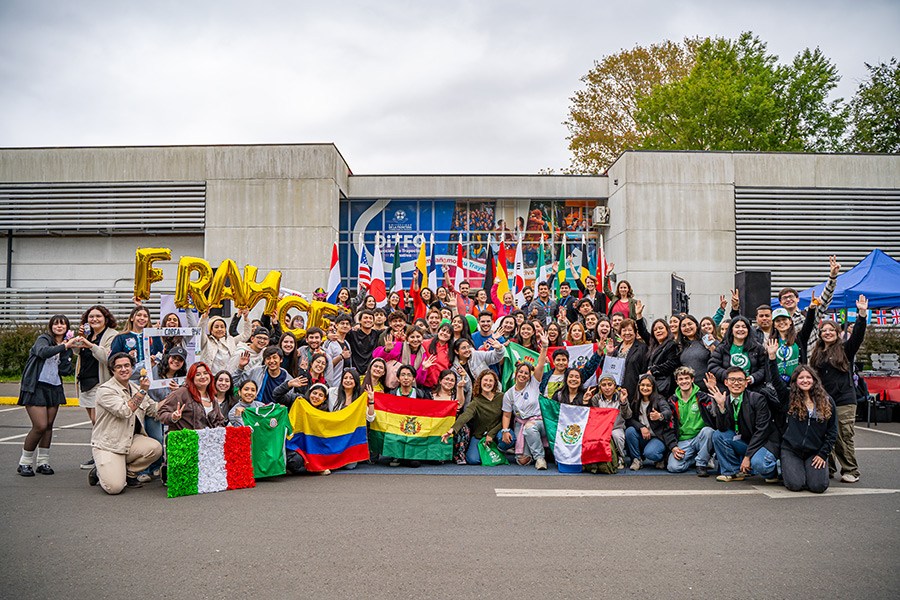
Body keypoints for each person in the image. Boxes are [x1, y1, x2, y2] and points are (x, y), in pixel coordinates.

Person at [810, 295, 868, 483]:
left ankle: (851, 470)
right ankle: (829, 468)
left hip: (844, 400)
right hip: (823, 400)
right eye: (824, 330)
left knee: (843, 435)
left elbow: (858, 335)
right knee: (825, 435)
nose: (827, 333)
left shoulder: (845, 349)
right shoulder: (817, 353)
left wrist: (861, 315)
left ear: (838, 332)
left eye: (831, 330)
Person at [765, 341, 836, 493]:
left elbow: (832, 432)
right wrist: (772, 358)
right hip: (791, 449)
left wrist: (823, 454)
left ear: (814, 380)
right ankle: (789, 468)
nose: (805, 380)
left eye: (808, 377)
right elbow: (777, 382)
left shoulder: (827, 401)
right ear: (796, 381)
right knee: (795, 485)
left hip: (814, 451)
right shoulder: (789, 398)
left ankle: (808, 472)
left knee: (818, 487)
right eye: (801, 378)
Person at [88, 352, 161, 494]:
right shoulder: (106, 390)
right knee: (115, 488)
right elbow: (125, 411)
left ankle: (129, 473)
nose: (124, 369)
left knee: (155, 448)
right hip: (109, 445)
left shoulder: (134, 388)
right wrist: (143, 391)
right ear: (112, 370)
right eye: (119, 367)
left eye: (127, 365)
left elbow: (155, 410)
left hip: (129, 441)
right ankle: (100, 471)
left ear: (132, 367)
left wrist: (177, 395)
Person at [16, 315, 78, 477]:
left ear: (67, 328)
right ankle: (25, 462)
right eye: (56, 324)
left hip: (54, 387)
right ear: (51, 326)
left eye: (62, 324)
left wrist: (67, 352)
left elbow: (65, 371)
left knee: (49, 426)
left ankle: (43, 462)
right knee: (40, 426)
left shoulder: (66, 345)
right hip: (36, 387)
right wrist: (64, 347)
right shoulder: (43, 339)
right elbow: (42, 352)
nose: (59, 327)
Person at [706, 369, 779, 482]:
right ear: (726, 383)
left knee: (761, 465)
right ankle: (733, 472)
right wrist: (721, 408)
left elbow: (762, 431)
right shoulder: (725, 400)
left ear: (746, 383)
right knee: (718, 435)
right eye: (732, 380)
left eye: (740, 380)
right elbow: (723, 428)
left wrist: (747, 457)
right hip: (746, 441)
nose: (736, 383)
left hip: (764, 442)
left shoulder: (757, 399)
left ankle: (773, 472)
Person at [73, 304, 118, 469]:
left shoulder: (112, 335)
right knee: (95, 423)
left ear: (106, 319)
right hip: (85, 381)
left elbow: (108, 358)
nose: (94, 319)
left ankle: (103, 455)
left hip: (100, 382)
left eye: (98, 316)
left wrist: (90, 345)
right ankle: (98, 454)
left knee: (98, 421)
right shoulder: (88, 334)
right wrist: (80, 340)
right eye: (91, 317)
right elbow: (77, 353)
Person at [442, 370, 505, 465]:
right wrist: (452, 430)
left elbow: (505, 419)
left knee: (508, 439)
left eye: (491, 381)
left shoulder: (502, 397)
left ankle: (499, 450)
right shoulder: (476, 401)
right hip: (480, 435)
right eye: (485, 380)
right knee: (472, 460)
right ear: (480, 382)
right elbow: (466, 415)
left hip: (497, 432)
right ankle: (489, 452)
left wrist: (491, 434)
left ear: (495, 383)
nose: (488, 383)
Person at [777, 255, 840, 350]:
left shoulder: (807, 314)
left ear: (798, 299)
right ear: (780, 303)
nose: (788, 300)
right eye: (784, 298)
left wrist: (832, 277)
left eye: (791, 297)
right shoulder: (779, 322)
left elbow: (825, 299)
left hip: (811, 360)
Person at [666, 366, 716, 476]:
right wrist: (673, 446)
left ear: (692, 380)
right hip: (683, 441)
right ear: (677, 382)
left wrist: (713, 390)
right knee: (673, 467)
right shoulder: (672, 401)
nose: (684, 381)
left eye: (686, 378)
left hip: (700, 438)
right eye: (681, 379)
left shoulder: (702, 397)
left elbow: (715, 414)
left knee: (709, 431)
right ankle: (697, 457)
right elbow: (668, 426)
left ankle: (701, 463)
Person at [501, 362, 548, 470]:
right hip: (520, 423)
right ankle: (534, 444)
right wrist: (505, 430)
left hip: (539, 422)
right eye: (521, 372)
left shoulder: (534, 384)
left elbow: (540, 366)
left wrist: (544, 347)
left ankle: (540, 458)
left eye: (526, 373)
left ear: (529, 376)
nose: (523, 375)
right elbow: (506, 415)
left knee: (530, 427)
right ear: (516, 373)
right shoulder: (509, 394)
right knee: (522, 461)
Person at [624, 374, 674, 470]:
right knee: (630, 431)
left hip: (657, 437)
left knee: (651, 453)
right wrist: (641, 427)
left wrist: (660, 415)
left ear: (653, 387)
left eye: (648, 385)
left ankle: (661, 458)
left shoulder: (659, 399)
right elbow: (630, 419)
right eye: (642, 385)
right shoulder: (635, 401)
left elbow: (667, 412)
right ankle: (637, 460)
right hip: (643, 435)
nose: (645, 388)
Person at [158, 362, 226, 431]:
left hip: (208, 440)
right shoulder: (182, 393)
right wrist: (173, 417)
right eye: (198, 374)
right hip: (186, 439)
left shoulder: (213, 398)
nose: (203, 377)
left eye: (205, 373)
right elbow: (162, 413)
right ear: (192, 378)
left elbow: (220, 420)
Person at [708, 317, 766, 391]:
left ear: (748, 330)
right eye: (737, 327)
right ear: (731, 330)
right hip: (727, 390)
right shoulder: (722, 347)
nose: (740, 329)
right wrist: (730, 377)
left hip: (751, 390)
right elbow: (713, 366)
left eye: (744, 327)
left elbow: (764, 367)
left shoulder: (758, 348)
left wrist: (753, 378)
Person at [635, 303, 679, 397]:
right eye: (655, 330)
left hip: (664, 387)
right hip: (653, 386)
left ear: (667, 330)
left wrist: (653, 370)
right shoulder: (653, 345)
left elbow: (672, 363)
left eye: (661, 328)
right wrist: (639, 315)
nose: (658, 331)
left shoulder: (671, 345)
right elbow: (643, 332)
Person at [109, 304, 163, 381]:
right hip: (129, 378)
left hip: (150, 378)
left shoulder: (152, 336)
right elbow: (112, 359)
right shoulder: (121, 337)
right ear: (132, 318)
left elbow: (160, 354)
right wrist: (127, 356)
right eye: (139, 315)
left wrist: (156, 334)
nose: (142, 318)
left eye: (145, 316)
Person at [592, 374, 631, 469]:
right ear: (600, 387)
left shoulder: (620, 396)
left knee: (617, 436)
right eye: (604, 385)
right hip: (601, 427)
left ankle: (621, 457)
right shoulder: (596, 398)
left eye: (610, 384)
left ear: (615, 386)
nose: (607, 388)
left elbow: (628, 415)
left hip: (616, 427)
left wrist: (623, 402)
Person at [451, 337, 504, 407]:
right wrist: (462, 378)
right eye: (463, 348)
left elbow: (495, 357)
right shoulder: (454, 368)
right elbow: (462, 390)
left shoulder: (477, 355)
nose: (467, 350)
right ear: (456, 351)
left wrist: (499, 348)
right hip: (472, 402)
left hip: (491, 394)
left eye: (468, 347)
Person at [607, 318, 648, 404]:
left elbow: (643, 369)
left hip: (632, 388)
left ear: (635, 332)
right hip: (615, 389)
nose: (627, 333)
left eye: (630, 330)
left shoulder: (641, 347)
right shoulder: (617, 348)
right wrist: (609, 354)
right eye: (624, 330)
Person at [198, 308, 251, 374]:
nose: (219, 329)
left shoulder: (231, 340)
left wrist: (245, 318)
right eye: (216, 327)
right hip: (211, 378)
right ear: (211, 330)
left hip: (228, 378)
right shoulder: (206, 341)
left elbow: (246, 335)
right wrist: (204, 316)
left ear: (225, 330)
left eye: (222, 327)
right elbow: (200, 331)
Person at [677, 315, 714, 388]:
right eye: (684, 326)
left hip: (708, 387)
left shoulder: (707, 339)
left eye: (690, 324)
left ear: (696, 325)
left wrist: (712, 347)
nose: (687, 327)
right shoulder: (681, 345)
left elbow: (719, 358)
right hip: (689, 389)